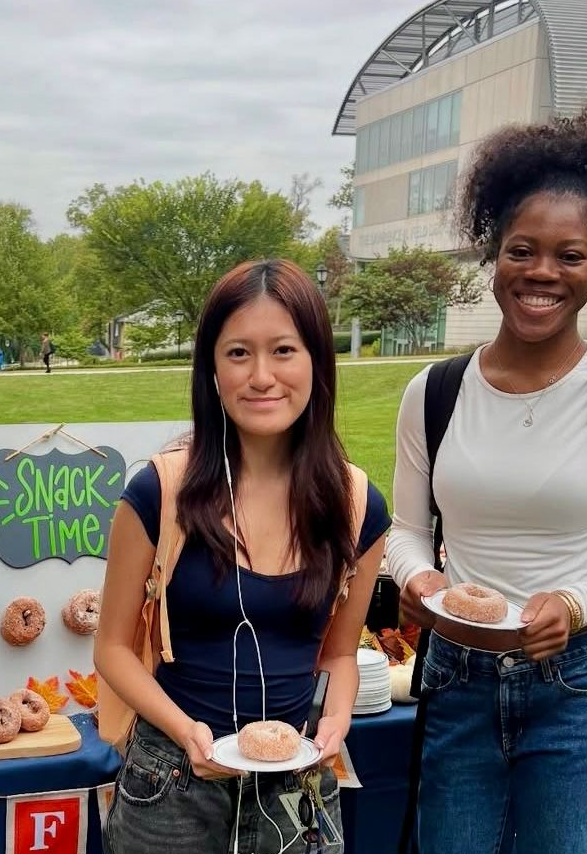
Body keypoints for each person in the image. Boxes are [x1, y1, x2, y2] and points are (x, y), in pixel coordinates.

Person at [386, 108, 587, 854]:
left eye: (570, 255)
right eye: (522, 249)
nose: (541, 272)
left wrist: (574, 602)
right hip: (457, 675)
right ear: (493, 253)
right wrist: (419, 584)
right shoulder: (433, 391)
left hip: (575, 685)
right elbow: (407, 531)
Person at [96, 259, 390, 853]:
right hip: (173, 785)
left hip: (296, 787)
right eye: (238, 354)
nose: (262, 376)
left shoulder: (356, 505)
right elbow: (112, 649)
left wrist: (336, 720)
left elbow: (339, 653)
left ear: (316, 362)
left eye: (284, 350)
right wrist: (187, 733)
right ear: (211, 368)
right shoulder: (159, 493)